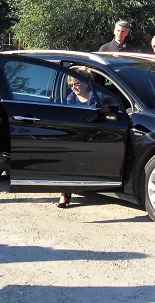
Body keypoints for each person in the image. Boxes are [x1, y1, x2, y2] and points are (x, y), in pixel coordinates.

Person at [57, 66, 102, 208]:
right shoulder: (69, 99)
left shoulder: (99, 97)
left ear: (86, 83)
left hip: (96, 134)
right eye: (71, 85)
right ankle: (65, 193)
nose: (73, 88)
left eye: (76, 84)